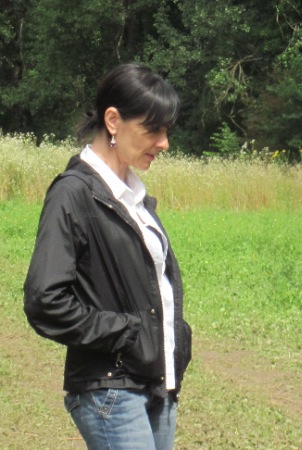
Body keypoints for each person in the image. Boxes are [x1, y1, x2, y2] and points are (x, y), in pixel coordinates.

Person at [23, 63, 192, 450]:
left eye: (167, 130)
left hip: (158, 383)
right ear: (113, 120)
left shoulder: (133, 197)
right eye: (154, 130)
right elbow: (45, 300)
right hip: (111, 390)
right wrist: (126, 333)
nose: (164, 143)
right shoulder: (73, 193)